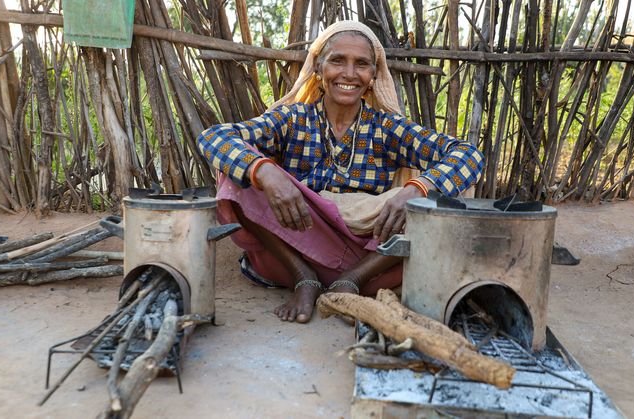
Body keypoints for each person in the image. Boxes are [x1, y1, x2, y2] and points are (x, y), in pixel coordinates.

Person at [197, 21, 483, 324]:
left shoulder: (386, 128)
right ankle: (303, 278)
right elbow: (213, 137)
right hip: (295, 249)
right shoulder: (293, 119)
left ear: (373, 75)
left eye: (361, 64)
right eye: (337, 61)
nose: (348, 73)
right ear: (319, 69)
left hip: (370, 259)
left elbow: (469, 155)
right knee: (236, 175)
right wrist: (265, 172)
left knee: (449, 194)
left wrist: (418, 188)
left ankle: (351, 281)